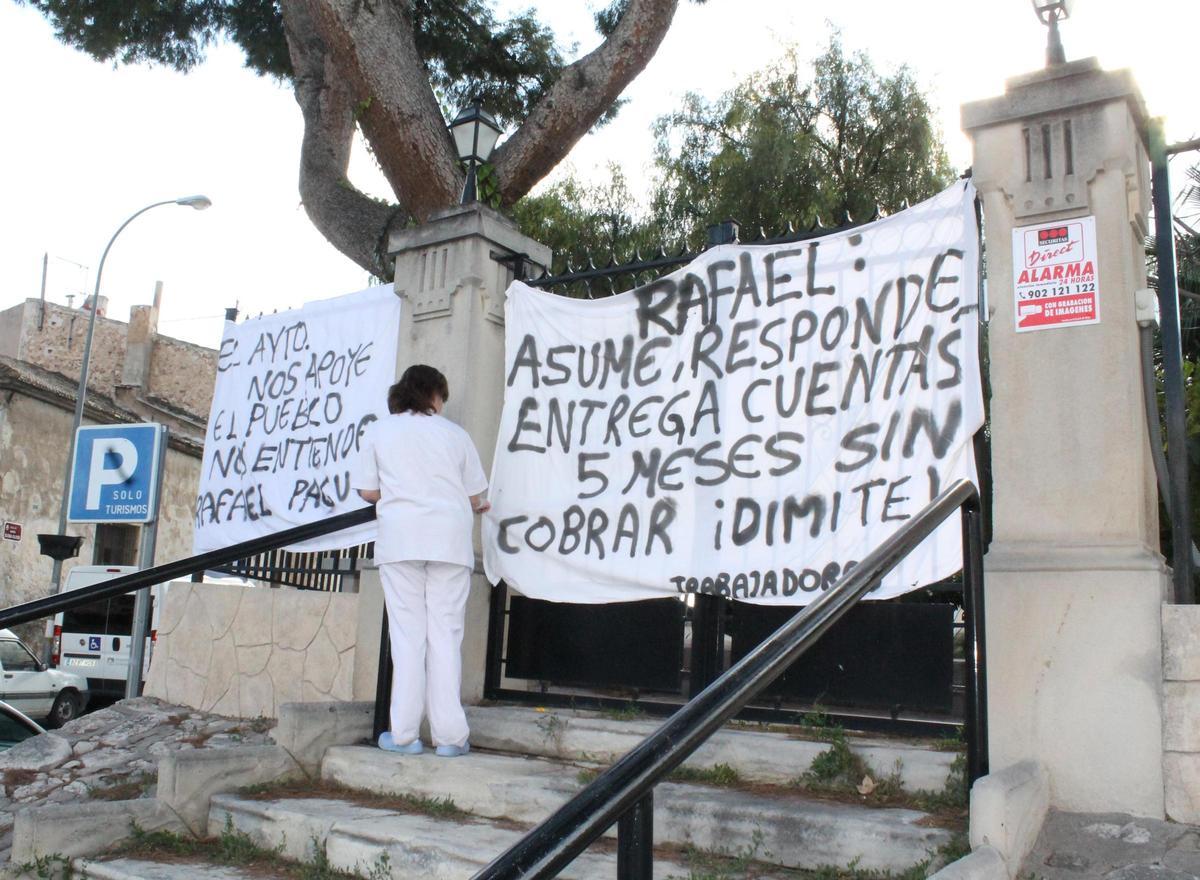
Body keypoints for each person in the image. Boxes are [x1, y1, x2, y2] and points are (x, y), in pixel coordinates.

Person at [352, 364, 490, 757]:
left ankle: (404, 734)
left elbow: (368, 491)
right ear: (433, 395)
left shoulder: (379, 431)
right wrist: (477, 504)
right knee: (445, 635)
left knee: (407, 637)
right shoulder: (456, 435)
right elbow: (475, 494)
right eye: (442, 397)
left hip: (400, 541)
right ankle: (450, 737)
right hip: (449, 543)